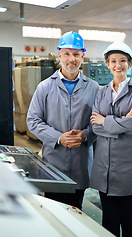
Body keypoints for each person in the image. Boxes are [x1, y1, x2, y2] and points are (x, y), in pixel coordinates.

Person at [26, 31, 99, 210]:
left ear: (83, 55)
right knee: (54, 212)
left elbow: (99, 122)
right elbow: (33, 120)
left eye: (76, 54)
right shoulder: (44, 87)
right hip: (54, 163)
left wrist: (85, 135)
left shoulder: (94, 88)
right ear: (59, 55)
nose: (71, 59)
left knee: (76, 211)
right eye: (66, 53)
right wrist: (59, 138)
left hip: (81, 163)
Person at [90, 41, 132, 237]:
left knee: (129, 224)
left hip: (128, 169)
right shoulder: (101, 92)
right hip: (104, 169)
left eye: (123, 60)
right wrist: (122, 122)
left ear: (129, 63)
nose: (118, 65)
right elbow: (94, 126)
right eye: (113, 61)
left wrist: (105, 120)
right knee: (108, 224)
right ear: (107, 64)